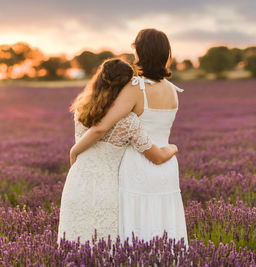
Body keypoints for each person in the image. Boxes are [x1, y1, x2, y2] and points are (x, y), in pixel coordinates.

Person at [69, 29, 188, 246]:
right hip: (167, 166)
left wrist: (75, 150)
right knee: (165, 224)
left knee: (136, 226)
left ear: (142, 53)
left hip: (137, 165)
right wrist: (173, 148)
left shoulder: (136, 87)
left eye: (136, 50)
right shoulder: (173, 90)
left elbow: (101, 127)